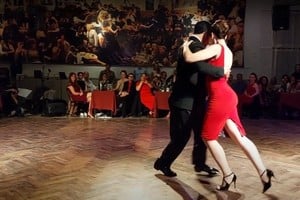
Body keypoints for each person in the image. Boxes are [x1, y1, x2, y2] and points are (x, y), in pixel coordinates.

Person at [183, 20, 274, 193]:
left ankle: (228, 175)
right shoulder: (229, 52)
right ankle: (264, 173)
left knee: (208, 136)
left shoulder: (216, 48)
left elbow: (189, 58)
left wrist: (187, 44)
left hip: (220, 98)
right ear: (226, 34)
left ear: (211, 34)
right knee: (239, 137)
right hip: (228, 95)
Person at [154, 21, 225, 177]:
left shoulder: (190, 44)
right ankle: (163, 163)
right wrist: (222, 71)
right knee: (181, 137)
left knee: (201, 134)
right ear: (206, 34)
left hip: (194, 101)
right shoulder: (193, 45)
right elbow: (200, 67)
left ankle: (200, 164)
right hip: (184, 101)